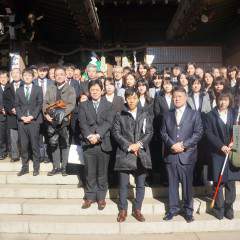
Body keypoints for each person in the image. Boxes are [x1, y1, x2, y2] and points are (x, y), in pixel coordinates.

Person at [161, 86, 203, 223]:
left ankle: (188, 210)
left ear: (185, 98)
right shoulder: (167, 114)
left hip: (187, 155)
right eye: (174, 96)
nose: (176, 99)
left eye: (179, 96)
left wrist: (183, 145)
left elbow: (198, 133)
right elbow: (163, 132)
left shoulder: (194, 114)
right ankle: (173, 209)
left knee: (187, 185)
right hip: (171, 154)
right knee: (172, 184)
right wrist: (172, 144)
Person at [112, 88, 153, 222]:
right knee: (123, 184)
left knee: (140, 184)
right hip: (125, 153)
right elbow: (116, 133)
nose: (131, 100)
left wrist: (138, 145)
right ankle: (123, 210)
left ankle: (137, 209)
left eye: (134, 98)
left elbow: (149, 132)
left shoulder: (145, 113)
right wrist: (129, 146)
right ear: (125, 99)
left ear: (138, 98)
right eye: (129, 98)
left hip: (141, 152)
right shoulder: (120, 114)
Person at [78, 79, 114, 210]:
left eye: (97, 90)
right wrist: (89, 136)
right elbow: (82, 123)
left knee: (102, 172)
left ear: (102, 90)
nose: (94, 92)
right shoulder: (83, 105)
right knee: (90, 172)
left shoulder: (109, 105)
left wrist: (98, 135)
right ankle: (89, 197)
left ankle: (101, 198)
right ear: (89, 91)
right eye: (92, 90)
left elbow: (108, 122)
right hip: (88, 143)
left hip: (103, 142)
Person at [205, 92, 240, 220]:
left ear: (229, 101)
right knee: (218, 182)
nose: (222, 102)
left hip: (232, 151)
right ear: (217, 100)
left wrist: (234, 141)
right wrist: (221, 145)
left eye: (225, 100)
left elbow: (238, 130)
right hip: (217, 153)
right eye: (220, 99)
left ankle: (228, 207)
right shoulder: (210, 116)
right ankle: (218, 208)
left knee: (230, 182)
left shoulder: (234, 114)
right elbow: (208, 133)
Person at [43, 66, 76, 176]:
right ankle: (56, 167)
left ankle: (64, 168)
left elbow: (71, 104)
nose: (59, 76)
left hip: (64, 121)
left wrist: (59, 114)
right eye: (57, 75)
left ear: (65, 75)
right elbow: (45, 103)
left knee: (64, 143)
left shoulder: (70, 89)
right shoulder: (50, 88)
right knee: (53, 144)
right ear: (54, 76)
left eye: (61, 74)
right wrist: (46, 114)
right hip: (51, 121)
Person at [15, 69, 43, 176]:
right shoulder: (19, 90)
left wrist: (32, 116)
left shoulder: (38, 89)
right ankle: (25, 167)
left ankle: (36, 168)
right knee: (24, 145)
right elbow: (16, 105)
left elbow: (39, 104)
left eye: (29, 76)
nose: (27, 77)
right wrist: (22, 117)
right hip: (22, 122)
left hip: (34, 121)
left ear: (33, 77)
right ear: (22, 77)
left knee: (34, 145)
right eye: (25, 75)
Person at [34, 63, 53, 163]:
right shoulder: (33, 82)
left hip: (48, 113)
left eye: (44, 71)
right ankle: (40, 155)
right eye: (40, 71)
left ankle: (47, 155)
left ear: (47, 72)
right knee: (38, 134)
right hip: (36, 113)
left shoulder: (51, 82)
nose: (42, 73)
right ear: (37, 71)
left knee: (48, 134)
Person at [3, 68, 23, 162]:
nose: (15, 75)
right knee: (13, 137)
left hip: (24, 115)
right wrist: (11, 109)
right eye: (13, 73)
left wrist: (19, 109)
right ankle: (15, 156)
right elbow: (5, 101)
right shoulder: (8, 86)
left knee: (24, 137)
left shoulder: (26, 84)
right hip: (12, 115)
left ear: (21, 74)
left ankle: (25, 154)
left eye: (17, 73)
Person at [0, 70, 9, 160]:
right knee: (1, 135)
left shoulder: (10, 87)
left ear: (8, 78)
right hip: (1, 115)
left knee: (10, 135)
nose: (3, 79)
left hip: (11, 116)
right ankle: (2, 152)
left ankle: (11, 151)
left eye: (4, 77)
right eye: (1, 77)